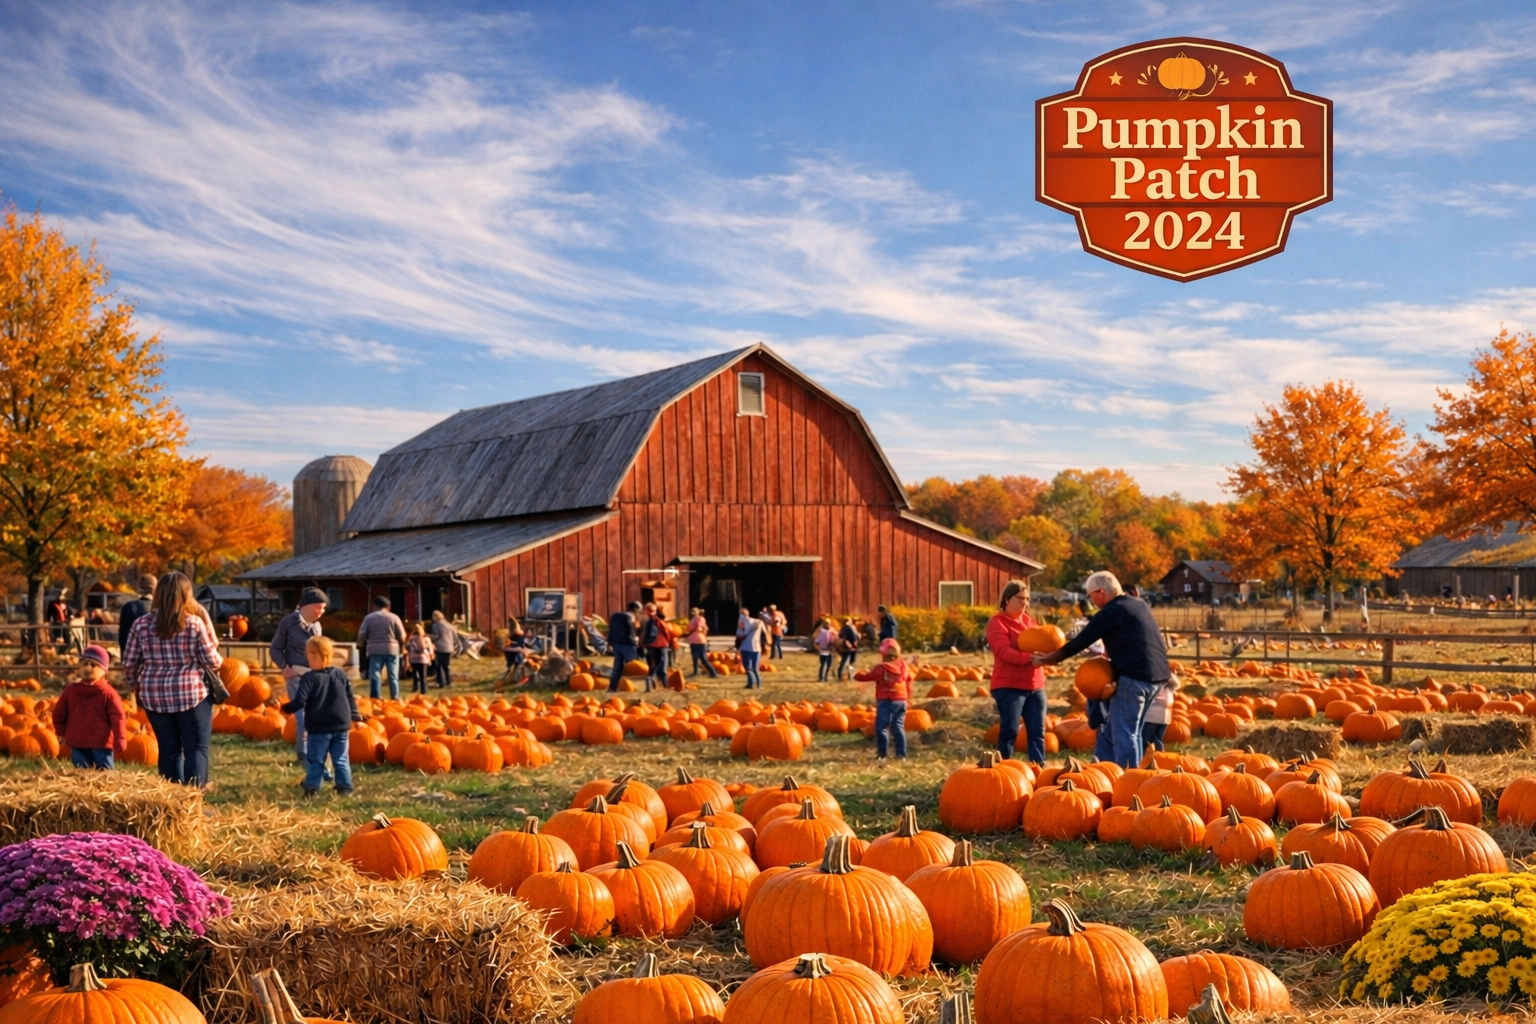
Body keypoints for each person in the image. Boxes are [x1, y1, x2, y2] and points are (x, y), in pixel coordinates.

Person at [1033, 570, 1171, 768]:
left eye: (1090, 596)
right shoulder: (1137, 604)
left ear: (1101, 592)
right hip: (1158, 678)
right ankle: (1109, 769)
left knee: (1124, 732)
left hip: (1135, 678)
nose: (1091, 600)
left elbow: (1083, 640)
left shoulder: (1111, 611)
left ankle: (1128, 778)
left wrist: (1051, 658)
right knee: (1131, 731)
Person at [121, 572, 222, 787]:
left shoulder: (141, 624)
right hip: (191, 694)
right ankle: (193, 803)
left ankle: (171, 802)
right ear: (186, 595)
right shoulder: (193, 624)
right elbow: (213, 659)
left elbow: (129, 662)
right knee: (196, 749)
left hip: (155, 696)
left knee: (168, 750)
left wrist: (136, 684)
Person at [280, 635, 362, 797]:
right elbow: (349, 696)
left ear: (315, 655)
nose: (307, 658)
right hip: (341, 725)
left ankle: (312, 787)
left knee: (316, 759)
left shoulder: (309, 678)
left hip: (319, 727)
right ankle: (345, 787)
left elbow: (300, 700)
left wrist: (286, 708)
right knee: (341, 758)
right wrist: (355, 715)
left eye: (309, 655)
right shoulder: (340, 674)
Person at [984, 580, 1049, 764]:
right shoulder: (998, 622)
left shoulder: (1030, 621)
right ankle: (1003, 769)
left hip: (1035, 685)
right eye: (1020, 598)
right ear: (1006, 599)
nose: (1025, 603)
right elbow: (1003, 652)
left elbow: (1042, 644)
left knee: (1038, 731)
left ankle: (1039, 769)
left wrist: (1049, 656)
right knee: (1010, 730)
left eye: (1027, 599)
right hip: (1009, 685)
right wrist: (1029, 658)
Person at [270, 588, 327, 768]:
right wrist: (284, 667)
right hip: (295, 675)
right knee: (302, 715)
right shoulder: (289, 623)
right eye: (319, 608)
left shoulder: (317, 627)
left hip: (313, 677)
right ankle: (303, 754)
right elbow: (275, 648)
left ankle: (314, 751)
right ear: (308, 606)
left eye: (324, 608)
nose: (321, 612)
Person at [52, 645, 125, 770]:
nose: (88, 668)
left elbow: (117, 717)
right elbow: (59, 712)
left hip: (101, 744)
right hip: (77, 743)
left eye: (93, 665)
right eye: (85, 663)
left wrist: (120, 738)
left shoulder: (108, 693)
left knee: (104, 775)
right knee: (82, 775)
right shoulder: (71, 691)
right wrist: (61, 732)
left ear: (104, 670)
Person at [855, 638, 912, 759]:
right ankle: (901, 754)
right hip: (901, 700)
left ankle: (882, 754)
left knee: (882, 727)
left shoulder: (881, 668)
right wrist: (908, 698)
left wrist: (858, 674)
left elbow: (866, 677)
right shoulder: (903, 666)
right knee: (898, 726)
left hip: (885, 700)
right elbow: (908, 682)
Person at [356, 596, 406, 701]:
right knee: (393, 675)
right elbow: (402, 635)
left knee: (375, 674)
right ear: (388, 606)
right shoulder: (394, 617)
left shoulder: (369, 618)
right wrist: (402, 648)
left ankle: (375, 697)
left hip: (374, 649)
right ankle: (395, 697)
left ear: (375, 606)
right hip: (392, 649)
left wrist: (360, 645)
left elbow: (362, 634)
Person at [117, 576, 155, 656]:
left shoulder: (129, 607)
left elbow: (123, 638)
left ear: (138, 588)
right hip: (155, 656)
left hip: (134, 657)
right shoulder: (161, 609)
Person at [607, 602, 640, 692]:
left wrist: (610, 642)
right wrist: (635, 641)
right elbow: (630, 631)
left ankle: (612, 688)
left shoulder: (615, 616)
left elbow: (611, 630)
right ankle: (630, 688)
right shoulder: (630, 616)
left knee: (617, 669)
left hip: (617, 644)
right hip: (628, 645)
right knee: (632, 667)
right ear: (636, 610)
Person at [640, 602, 672, 691]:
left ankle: (653, 683)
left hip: (651, 645)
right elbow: (660, 632)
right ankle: (661, 684)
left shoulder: (648, 620)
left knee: (655, 664)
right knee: (662, 665)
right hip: (660, 644)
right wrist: (668, 641)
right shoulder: (655, 620)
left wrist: (645, 643)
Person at [1142, 678, 1179, 752]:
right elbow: (1177, 684)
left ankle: (1149, 760)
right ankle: (1159, 758)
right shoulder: (1169, 681)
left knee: (1147, 742)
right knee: (1158, 739)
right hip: (1165, 717)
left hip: (1152, 715)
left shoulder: (1154, 678)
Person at [736, 607, 765, 689]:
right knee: (755, 668)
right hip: (757, 647)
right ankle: (759, 685)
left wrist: (737, 645)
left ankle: (751, 682)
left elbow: (740, 635)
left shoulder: (742, 622)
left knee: (747, 666)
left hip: (746, 647)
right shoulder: (759, 622)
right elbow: (765, 633)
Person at [686, 608, 718, 678]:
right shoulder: (691, 620)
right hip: (693, 641)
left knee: (703, 658)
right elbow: (688, 629)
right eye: (692, 610)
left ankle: (713, 673)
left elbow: (701, 627)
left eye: (694, 611)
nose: (692, 612)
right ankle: (695, 672)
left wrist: (698, 621)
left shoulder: (701, 619)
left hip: (701, 641)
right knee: (695, 658)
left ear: (698, 611)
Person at [429, 610, 457, 688]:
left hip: (441, 648)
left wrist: (428, 636)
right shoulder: (449, 625)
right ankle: (449, 681)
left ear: (435, 617)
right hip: (450, 648)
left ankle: (441, 683)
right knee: (446, 666)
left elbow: (437, 636)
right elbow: (455, 637)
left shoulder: (436, 625)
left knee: (439, 666)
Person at [406, 622, 434, 695]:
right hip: (423, 659)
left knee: (415, 674)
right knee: (423, 675)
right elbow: (430, 648)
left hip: (414, 659)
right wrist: (431, 656)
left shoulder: (411, 638)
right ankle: (423, 689)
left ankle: (415, 688)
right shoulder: (426, 638)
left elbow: (407, 646)